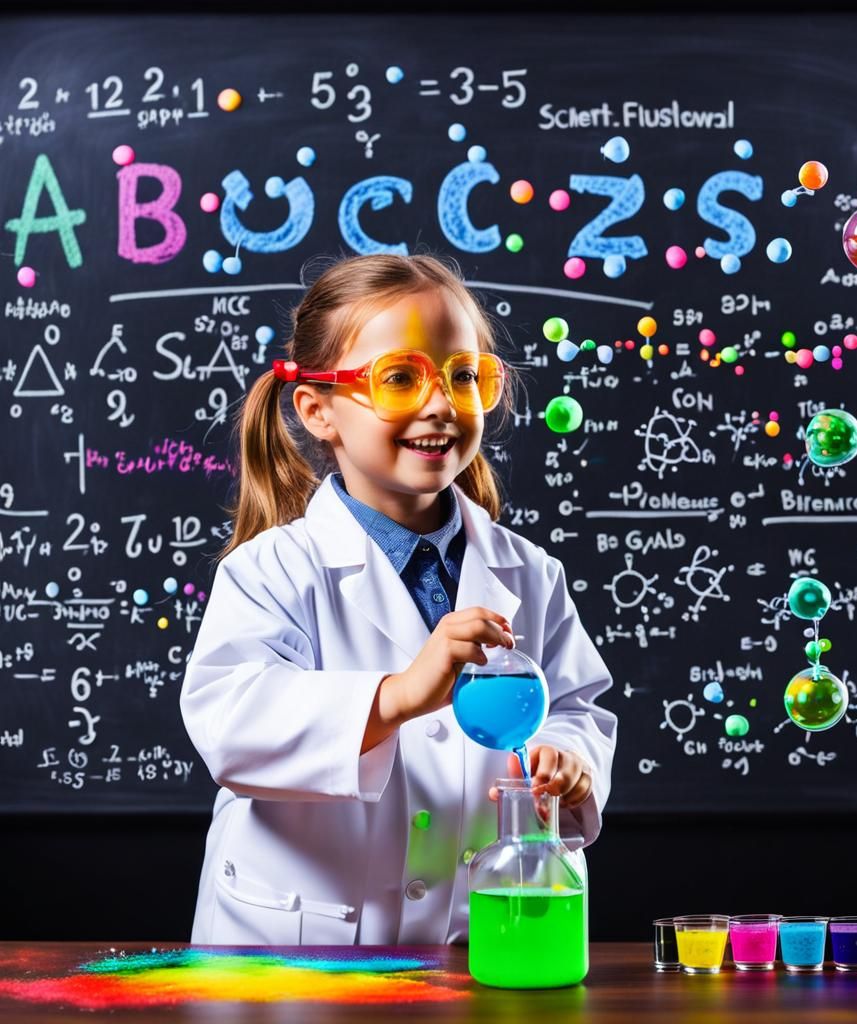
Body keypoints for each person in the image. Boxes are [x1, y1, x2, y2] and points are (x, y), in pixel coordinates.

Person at [180, 253, 616, 945]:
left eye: (463, 376)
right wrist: (398, 696)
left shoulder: (530, 573)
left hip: (479, 941)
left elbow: (575, 707)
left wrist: (568, 759)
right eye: (401, 378)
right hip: (295, 958)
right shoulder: (271, 571)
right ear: (317, 410)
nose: (440, 404)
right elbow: (232, 725)